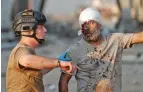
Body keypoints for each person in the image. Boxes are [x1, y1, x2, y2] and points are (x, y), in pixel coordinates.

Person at [59, 7, 143, 92]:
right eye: (84, 25)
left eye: (91, 23)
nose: (88, 28)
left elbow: (140, 37)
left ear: (99, 24)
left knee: (104, 85)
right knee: (103, 85)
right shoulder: (74, 51)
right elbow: (63, 80)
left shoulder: (115, 40)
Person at [6, 9, 73, 92]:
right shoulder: (21, 50)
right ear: (29, 30)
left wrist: (59, 62)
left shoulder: (29, 50)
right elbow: (27, 60)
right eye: (41, 27)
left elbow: (38, 72)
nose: (45, 30)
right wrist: (57, 62)